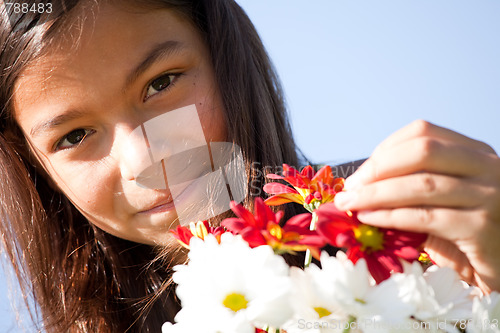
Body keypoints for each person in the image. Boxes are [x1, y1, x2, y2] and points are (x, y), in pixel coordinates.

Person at [0, 0, 498, 332]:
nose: (144, 159)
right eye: (75, 136)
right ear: (37, 169)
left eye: (161, 83)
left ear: (226, 58)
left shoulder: (415, 238)